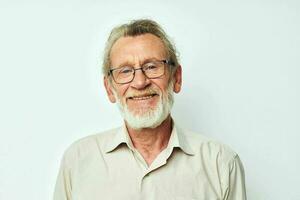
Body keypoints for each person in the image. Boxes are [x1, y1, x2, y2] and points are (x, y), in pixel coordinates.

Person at [53, 19, 247, 200]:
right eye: (126, 71)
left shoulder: (221, 164)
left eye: (152, 67)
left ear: (176, 78)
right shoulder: (78, 161)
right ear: (109, 88)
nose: (140, 82)